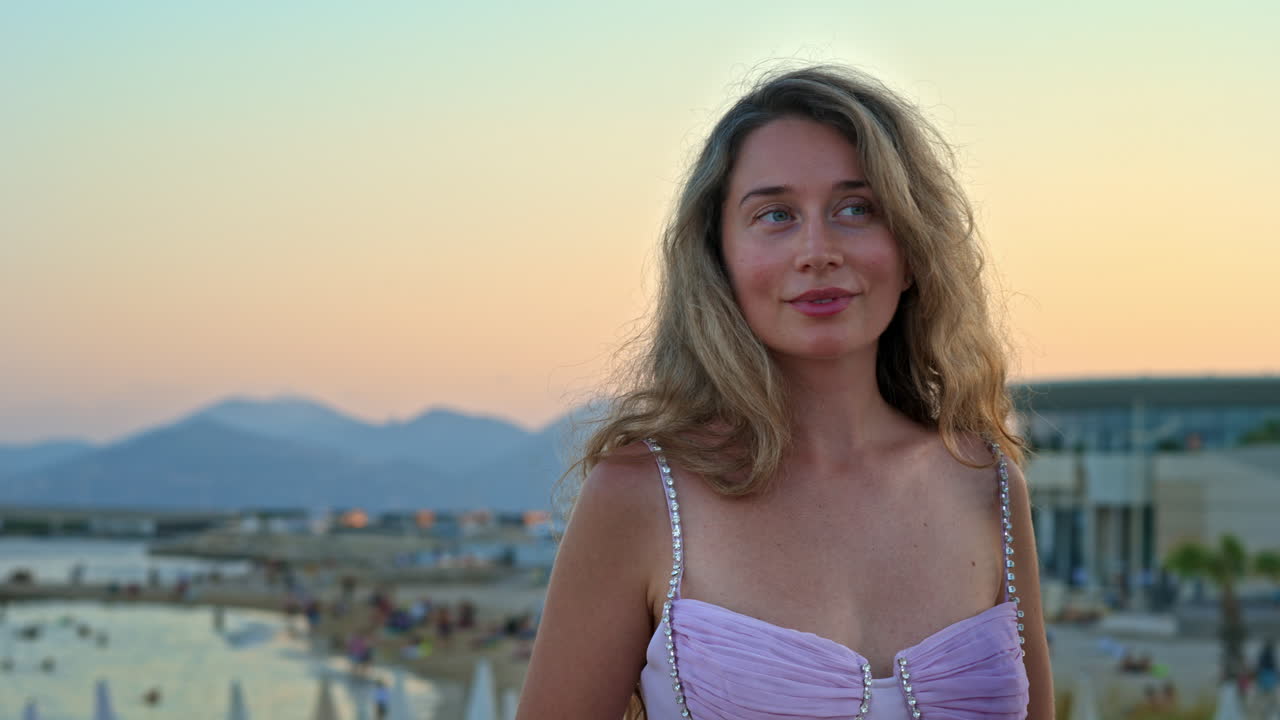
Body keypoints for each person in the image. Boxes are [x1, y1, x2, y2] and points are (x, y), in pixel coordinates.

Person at [516, 64, 1053, 719]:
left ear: (912, 249)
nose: (818, 250)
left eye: (857, 209)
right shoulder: (642, 495)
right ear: (722, 259)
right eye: (775, 215)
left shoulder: (987, 484)